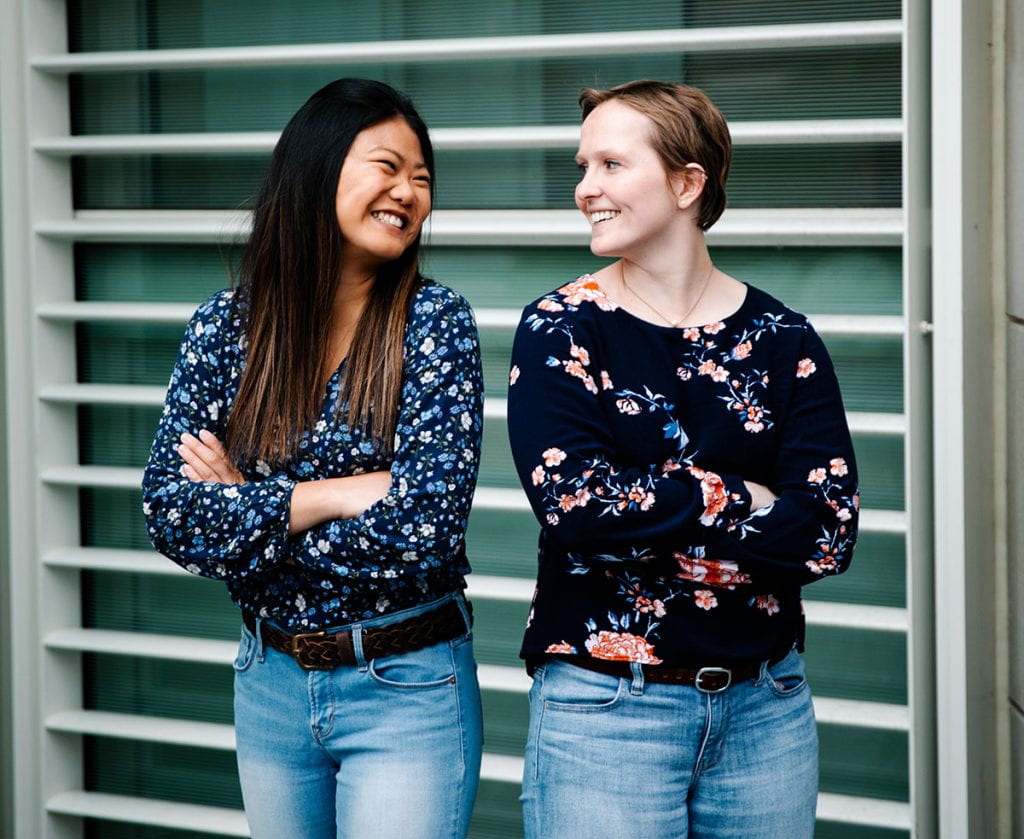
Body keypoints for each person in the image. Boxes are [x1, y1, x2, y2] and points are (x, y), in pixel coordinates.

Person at [507, 79, 859, 838]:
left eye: (609, 165)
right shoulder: (562, 328)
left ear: (686, 181)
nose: (584, 189)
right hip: (605, 711)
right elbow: (578, 509)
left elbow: (829, 532)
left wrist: (653, 514)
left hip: (766, 709)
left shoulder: (784, 339)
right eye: (582, 166)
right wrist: (742, 498)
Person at [142, 78, 484, 839]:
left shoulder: (434, 322)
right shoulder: (226, 329)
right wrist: (331, 496)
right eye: (388, 166)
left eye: (422, 179)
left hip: (406, 682)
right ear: (317, 167)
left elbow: (422, 527)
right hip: (268, 682)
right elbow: (171, 513)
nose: (409, 192)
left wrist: (248, 513)